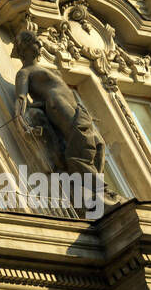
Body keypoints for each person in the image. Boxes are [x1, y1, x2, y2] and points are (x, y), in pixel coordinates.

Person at [12, 27, 105, 179]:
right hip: (58, 104)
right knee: (81, 142)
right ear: (25, 49)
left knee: (99, 144)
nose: (40, 45)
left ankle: (97, 184)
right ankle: (89, 183)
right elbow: (21, 98)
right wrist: (22, 125)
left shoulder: (47, 69)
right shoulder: (24, 72)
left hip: (75, 106)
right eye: (36, 42)